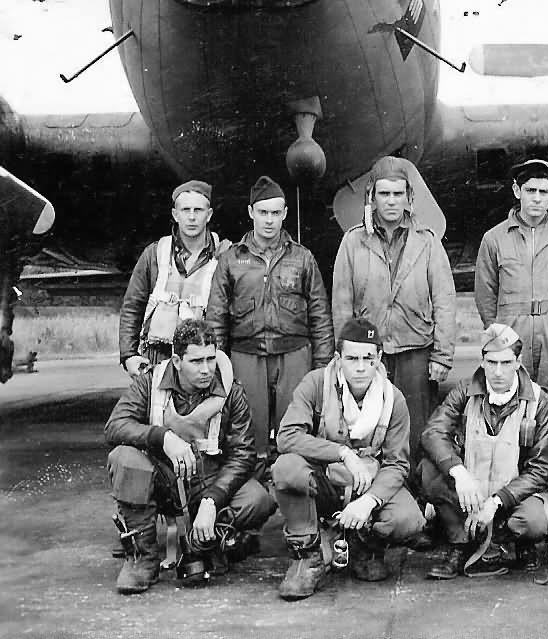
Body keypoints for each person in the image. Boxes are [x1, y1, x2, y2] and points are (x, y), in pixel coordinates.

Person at [104, 319, 276, 595]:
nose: (207, 369)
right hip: (162, 480)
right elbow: (115, 426)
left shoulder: (231, 390)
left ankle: (204, 545)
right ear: (176, 360)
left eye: (211, 358)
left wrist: (213, 500)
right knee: (124, 458)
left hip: (207, 483)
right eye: (197, 361)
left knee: (259, 499)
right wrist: (163, 438)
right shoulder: (150, 382)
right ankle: (142, 557)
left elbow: (243, 454)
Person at [272, 318, 425, 601]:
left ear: (379, 358)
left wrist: (369, 502)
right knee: (286, 469)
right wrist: (342, 453)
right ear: (338, 358)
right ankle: (308, 554)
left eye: (368, 358)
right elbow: (287, 437)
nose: (360, 367)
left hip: (366, 483)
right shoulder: (316, 384)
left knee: (409, 520)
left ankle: (362, 545)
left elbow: (398, 463)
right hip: (324, 480)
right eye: (352, 358)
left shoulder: (393, 399)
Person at [332, 156, 456, 472]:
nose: (391, 201)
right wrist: (345, 353)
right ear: (371, 197)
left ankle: (417, 496)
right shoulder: (353, 241)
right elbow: (342, 302)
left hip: (416, 351)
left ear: (409, 198)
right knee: (367, 427)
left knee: (416, 431)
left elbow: (444, 300)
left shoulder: (426, 242)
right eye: (384, 194)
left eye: (397, 194)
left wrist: (442, 356)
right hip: (368, 354)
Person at [206, 175, 333, 464]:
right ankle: (254, 492)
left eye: (276, 213)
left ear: (285, 214)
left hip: (294, 355)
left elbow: (320, 315)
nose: (269, 220)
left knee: (296, 431)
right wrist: (216, 364)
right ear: (251, 212)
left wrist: (323, 368)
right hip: (246, 355)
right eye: (263, 212)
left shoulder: (303, 258)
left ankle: (293, 487)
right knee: (249, 434)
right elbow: (216, 316)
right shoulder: (231, 260)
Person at [419, 323, 548, 580]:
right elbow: (433, 433)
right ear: (482, 361)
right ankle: (460, 541)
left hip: (512, 495)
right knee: (429, 472)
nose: (498, 372)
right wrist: (459, 473)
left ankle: (510, 539)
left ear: (518, 362)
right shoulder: (464, 391)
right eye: (491, 362)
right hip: (470, 491)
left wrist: (497, 501)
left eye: (506, 363)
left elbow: (543, 468)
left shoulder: (539, 402)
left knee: (534, 520)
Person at [475, 158, 548, 414]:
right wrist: (497, 328)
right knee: (513, 397)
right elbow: (485, 290)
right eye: (530, 191)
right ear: (517, 191)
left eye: (543, 192)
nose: (537, 198)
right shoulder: (494, 238)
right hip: (512, 329)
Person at [119, 180, 229, 375]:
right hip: (157, 359)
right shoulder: (155, 254)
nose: (192, 217)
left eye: (198, 210)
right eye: (185, 210)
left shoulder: (225, 256)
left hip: (202, 361)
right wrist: (128, 355)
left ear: (209, 214)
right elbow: (133, 306)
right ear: (175, 214)